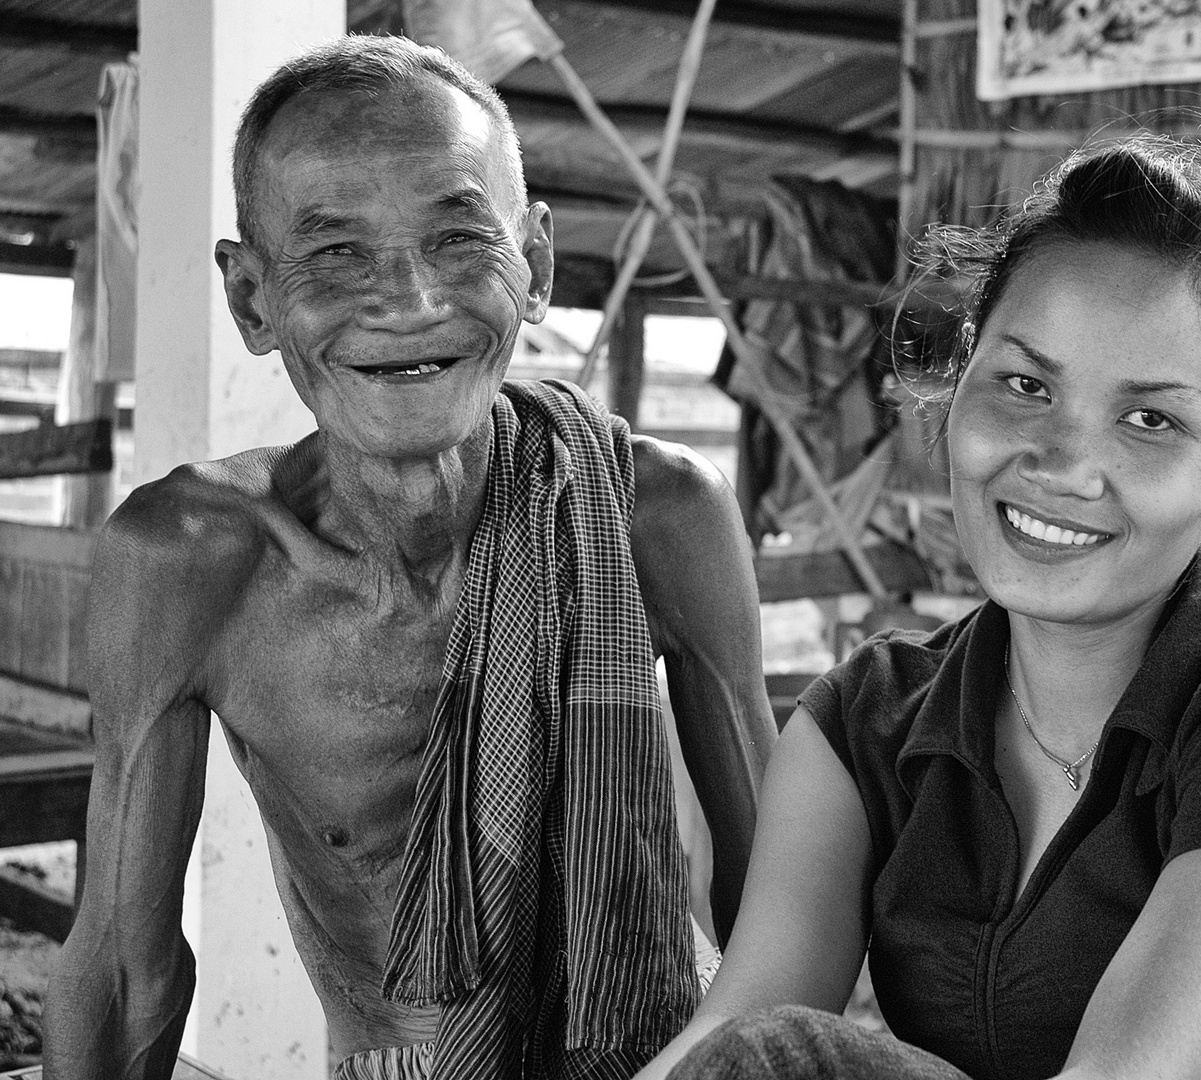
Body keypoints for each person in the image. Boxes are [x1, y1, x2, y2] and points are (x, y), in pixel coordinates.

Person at [43, 35, 777, 1080]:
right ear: (253, 299)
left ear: (537, 267)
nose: (409, 301)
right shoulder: (194, 560)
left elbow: (778, 904)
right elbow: (124, 966)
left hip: (660, 1050)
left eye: (456, 241)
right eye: (334, 252)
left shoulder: (651, 512)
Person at [639, 136, 1201, 1080]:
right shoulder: (863, 727)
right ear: (960, 375)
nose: (1058, 465)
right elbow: (720, 1043)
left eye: (1149, 420)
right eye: (1023, 384)